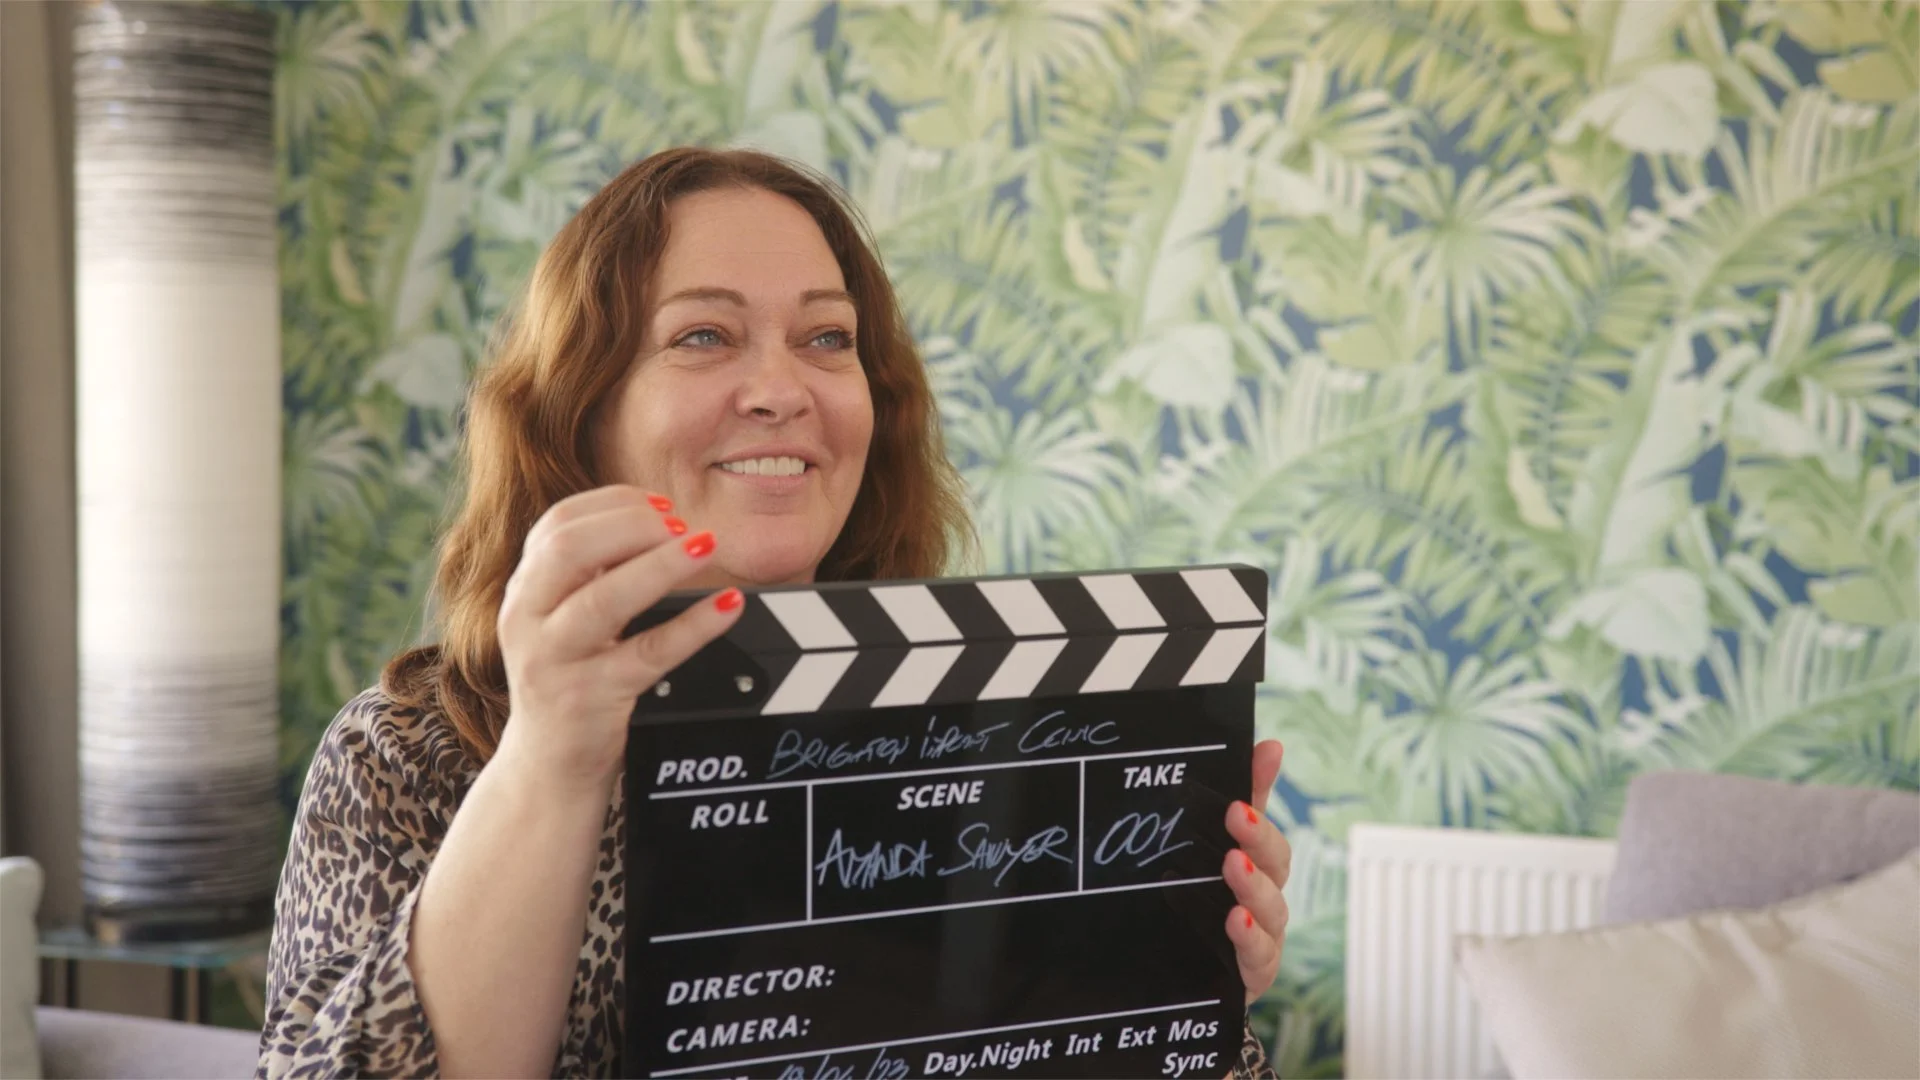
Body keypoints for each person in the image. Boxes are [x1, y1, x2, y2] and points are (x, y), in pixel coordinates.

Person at [257, 147, 1291, 1079]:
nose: (780, 389)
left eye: (827, 338)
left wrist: (1165, 1008)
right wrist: (552, 758)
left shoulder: (987, 729)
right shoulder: (406, 757)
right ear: (581, 408)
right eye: (703, 334)